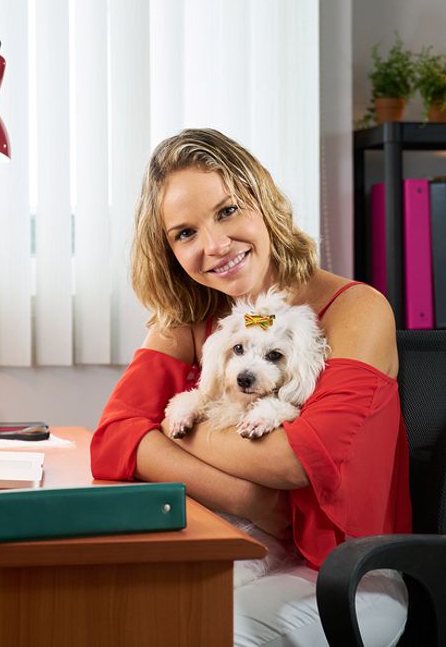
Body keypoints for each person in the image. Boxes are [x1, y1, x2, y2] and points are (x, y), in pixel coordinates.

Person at [91, 128, 412, 647]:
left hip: (345, 571)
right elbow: (114, 438)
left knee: (207, 627)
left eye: (227, 210)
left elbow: (295, 461)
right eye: (184, 233)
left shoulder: (357, 309)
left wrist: (169, 432)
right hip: (238, 547)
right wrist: (253, 501)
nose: (214, 246)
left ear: (263, 202)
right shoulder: (190, 316)